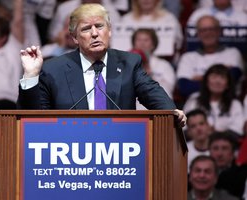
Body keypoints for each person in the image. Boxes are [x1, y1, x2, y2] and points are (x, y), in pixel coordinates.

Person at [18, 3, 186, 127]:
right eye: (86, 29)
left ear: (110, 31)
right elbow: (34, 121)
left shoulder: (129, 63)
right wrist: (31, 76)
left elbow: (153, 93)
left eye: (99, 26)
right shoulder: (53, 69)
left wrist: (171, 112)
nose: (95, 34)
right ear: (75, 38)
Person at [177, 15, 244, 98]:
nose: (208, 33)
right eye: (203, 30)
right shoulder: (187, 57)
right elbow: (185, 88)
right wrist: (221, 75)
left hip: (228, 105)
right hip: (195, 106)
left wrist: (201, 78)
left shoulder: (233, 53)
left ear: (219, 31)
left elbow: (232, 79)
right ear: (198, 34)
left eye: (211, 29)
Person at [183, 64, 244, 137]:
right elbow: (183, 127)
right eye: (214, 77)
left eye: (222, 77)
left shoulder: (235, 104)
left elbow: (238, 130)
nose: (218, 81)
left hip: (224, 144)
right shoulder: (194, 100)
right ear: (206, 82)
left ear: (228, 84)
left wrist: (215, 134)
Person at [130, 28, 176, 98]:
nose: (142, 43)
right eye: (138, 40)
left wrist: (150, 76)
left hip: (157, 104)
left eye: (146, 40)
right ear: (133, 43)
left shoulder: (164, 65)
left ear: (153, 44)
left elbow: (168, 90)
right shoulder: (125, 63)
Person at [209, 131, 247, 199]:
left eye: (225, 148)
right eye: (215, 148)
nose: (219, 154)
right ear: (209, 152)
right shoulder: (200, 174)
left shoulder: (244, 174)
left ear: (233, 153)